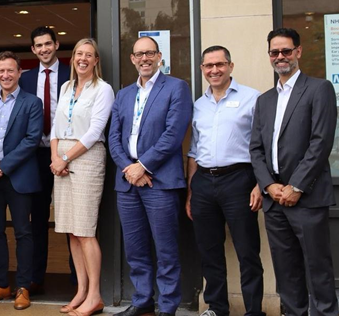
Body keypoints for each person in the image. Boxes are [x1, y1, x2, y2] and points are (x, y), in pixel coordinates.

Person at [249, 28, 339, 316]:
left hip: (307, 198)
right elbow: (256, 150)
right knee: (286, 274)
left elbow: (321, 142)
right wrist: (268, 186)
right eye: (274, 52)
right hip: (275, 200)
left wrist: (296, 186)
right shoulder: (264, 100)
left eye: (286, 51)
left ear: (298, 51)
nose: (280, 57)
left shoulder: (319, 89)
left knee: (318, 270)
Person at [108, 36, 192, 316]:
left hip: (160, 182)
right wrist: (129, 169)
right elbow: (114, 139)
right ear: (132, 59)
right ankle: (142, 300)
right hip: (128, 183)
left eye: (150, 53)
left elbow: (173, 134)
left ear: (159, 57)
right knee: (135, 249)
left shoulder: (177, 88)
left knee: (166, 249)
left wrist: (142, 166)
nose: (144, 58)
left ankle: (167, 306)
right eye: (139, 54)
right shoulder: (123, 95)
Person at [186, 46, 264, 316]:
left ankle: (254, 311)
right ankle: (217, 308)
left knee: (247, 252)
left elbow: (262, 146)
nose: (214, 70)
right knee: (209, 252)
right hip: (204, 182)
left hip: (239, 180)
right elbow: (194, 151)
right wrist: (190, 193)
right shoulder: (199, 104)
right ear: (202, 70)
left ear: (231, 66)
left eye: (220, 64)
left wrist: (260, 185)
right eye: (208, 66)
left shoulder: (252, 98)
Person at [49, 38, 115, 316]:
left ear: (96, 60)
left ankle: (95, 295)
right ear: (73, 57)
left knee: (86, 230)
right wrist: (55, 157)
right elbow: (54, 127)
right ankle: (81, 291)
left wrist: (64, 158)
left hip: (86, 157)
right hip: (60, 158)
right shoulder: (65, 86)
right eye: (79, 54)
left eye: (89, 55)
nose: (83, 59)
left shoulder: (103, 89)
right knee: (72, 232)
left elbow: (94, 131)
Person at [0, 51, 43, 311]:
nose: (5, 75)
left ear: (19, 73)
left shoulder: (32, 103)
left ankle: (23, 287)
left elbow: (32, 139)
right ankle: (1, 284)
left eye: (10, 70)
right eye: (1, 71)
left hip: (18, 177)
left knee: (24, 233)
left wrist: (3, 167)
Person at [17, 26, 72, 293]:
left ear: (56, 44)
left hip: (66, 155)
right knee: (37, 220)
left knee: (73, 219)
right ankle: (35, 278)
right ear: (33, 49)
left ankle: (77, 280)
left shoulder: (71, 74)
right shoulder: (25, 79)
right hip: (35, 157)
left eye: (48, 44)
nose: (44, 49)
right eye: (38, 45)